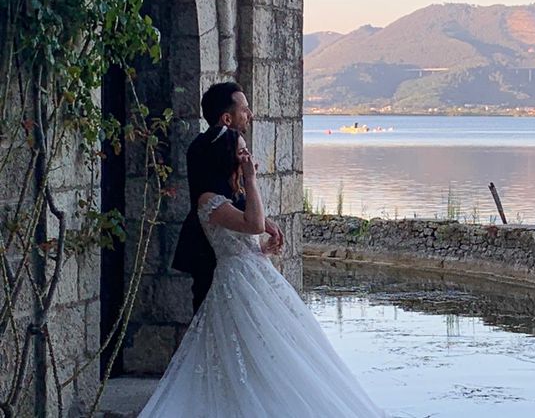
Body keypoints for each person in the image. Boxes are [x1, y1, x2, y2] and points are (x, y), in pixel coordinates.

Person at [139, 127, 386, 417]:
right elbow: (253, 224)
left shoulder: (231, 194)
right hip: (235, 280)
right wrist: (251, 178)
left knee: (279, 346)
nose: (248, 157)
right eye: (242, 151)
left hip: (256, 273)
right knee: (243, 346)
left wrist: (262, 246)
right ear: (227, 156)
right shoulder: (209, 200)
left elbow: (250, 232)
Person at [172, 82, 284, 314]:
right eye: (244, 109)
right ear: (226, 118)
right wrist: (250, 179)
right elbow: (222, 199)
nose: (250, 115)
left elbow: (234, 200)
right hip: (211, 259)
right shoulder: (206, 149)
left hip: (238, 262)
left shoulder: (219, 149)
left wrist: (264, 225)